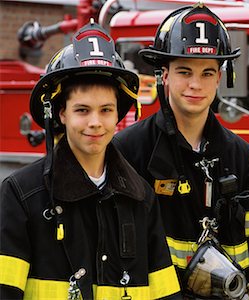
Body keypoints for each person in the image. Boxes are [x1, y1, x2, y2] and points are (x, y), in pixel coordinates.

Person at [113, 3, 249, 299]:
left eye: (207, 73)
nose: (196, 84)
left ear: (220, 78)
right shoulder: (130, 149)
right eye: (184, 71)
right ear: (163, 75)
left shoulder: (238, 153)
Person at [0, 21, 181, 299]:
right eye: (82, 110)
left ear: (117, 115)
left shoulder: (141, 197)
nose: (95, 123)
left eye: (106, 110)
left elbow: (165, 294)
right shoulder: (22, 195)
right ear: (62, 114)